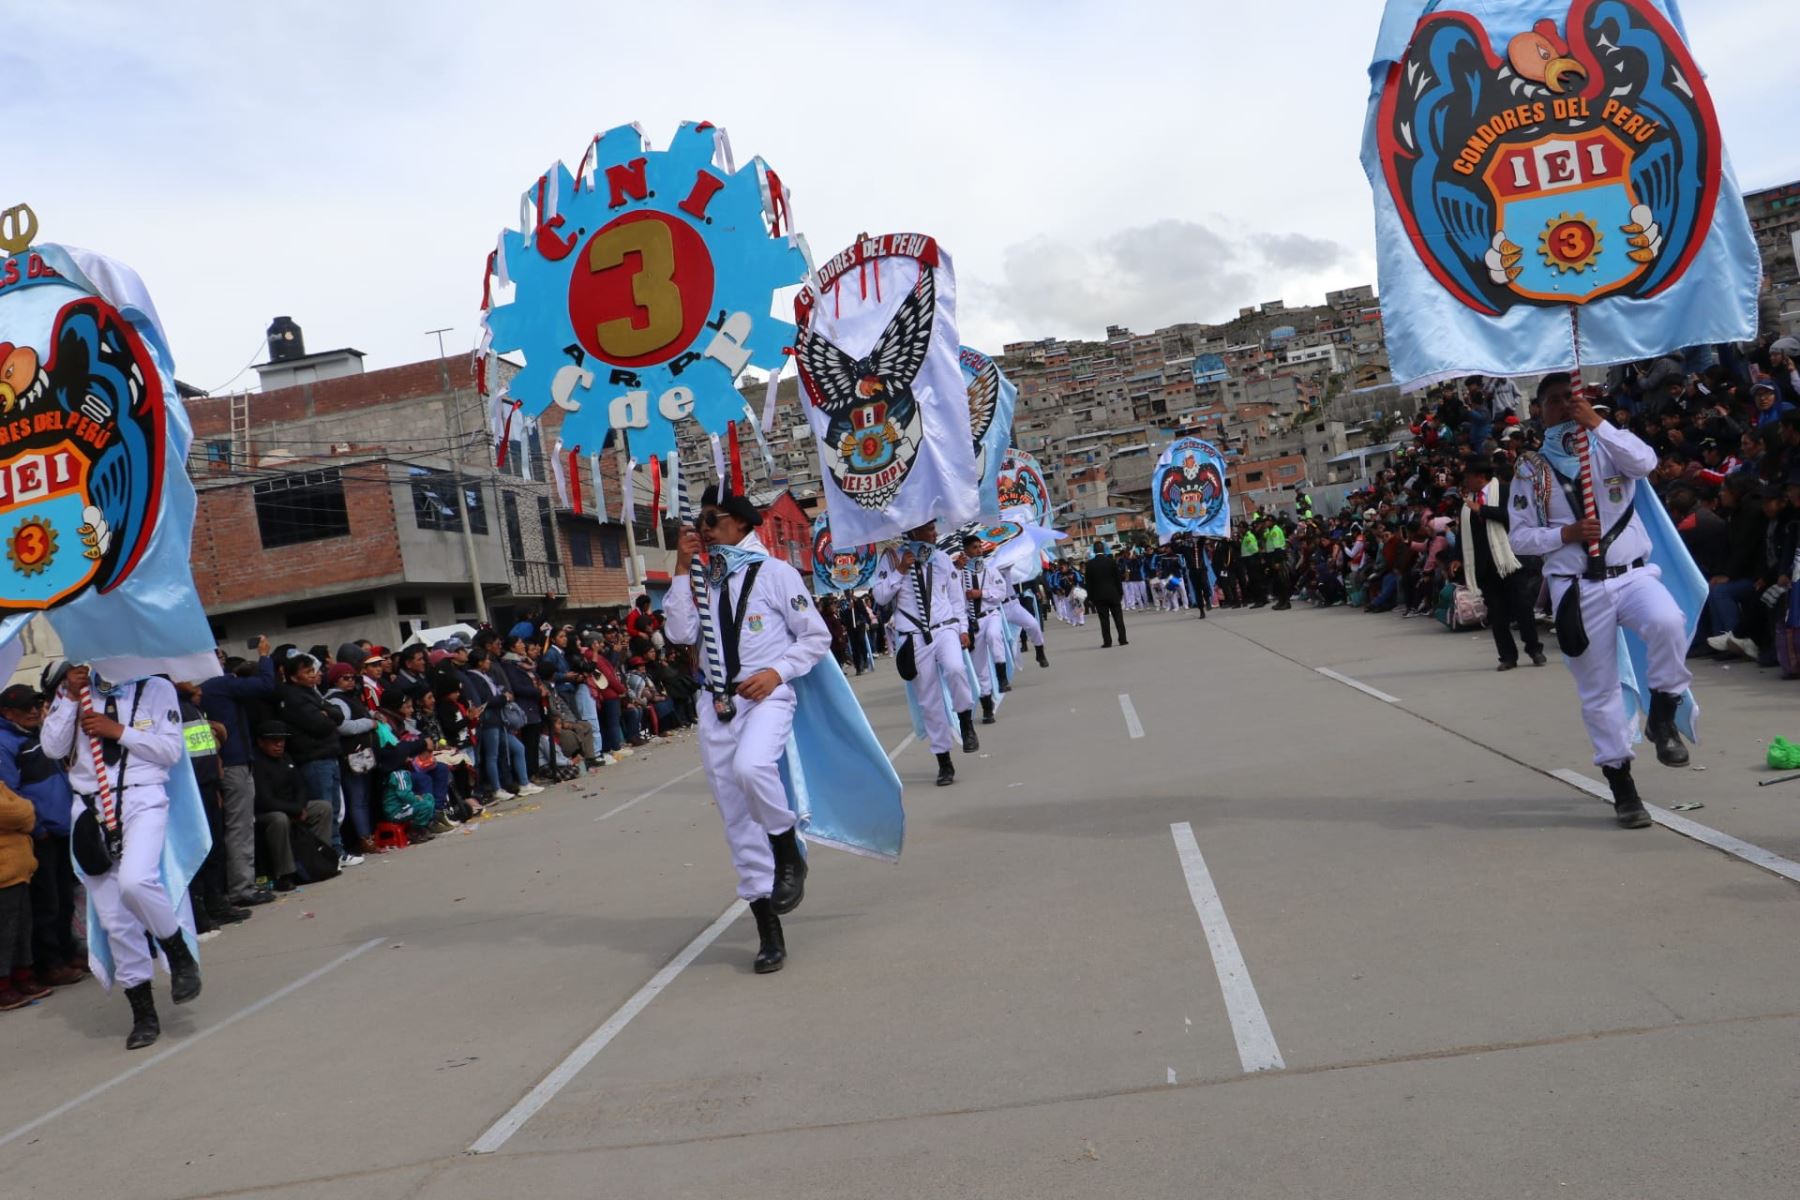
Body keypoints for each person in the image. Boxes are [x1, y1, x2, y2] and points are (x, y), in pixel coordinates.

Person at [1509, 374, 1693, 829]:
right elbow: (1520, 538)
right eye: (1553, 402)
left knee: (1669, 621)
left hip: (1632, 575)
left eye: (1570, 399)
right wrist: (1564, 534)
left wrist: (1598, 424)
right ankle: (1622, 784)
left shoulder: (1609, 445)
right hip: (1579, 586)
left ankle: (1664, 715)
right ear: (1540, 411)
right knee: (1600, 690)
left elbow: (1646, 463)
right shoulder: (1531, 469)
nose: (1563, 407)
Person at [664, 485, 829, 974]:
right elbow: (677, 633)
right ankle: (767, 930)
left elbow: (815, 635)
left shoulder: (775, 574)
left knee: (753, 766)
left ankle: (786, 849)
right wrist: (679, 566)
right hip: (716, 703)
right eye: (699, 524)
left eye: (710, 522)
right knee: (736, 819)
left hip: (766, 696)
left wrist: (778, 672)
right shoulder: (701, 578)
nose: (703, 531)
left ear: (739, 523)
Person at [41, 666, 201, 1050]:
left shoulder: (155, 686)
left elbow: (170, 750)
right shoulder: (75, 687)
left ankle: (177, 951)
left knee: (136, 880)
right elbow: (53, 748)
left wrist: (118, 732)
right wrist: (67, 697)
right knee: (115, 919)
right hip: (90, 806)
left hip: (142, 796)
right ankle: (143, 1012)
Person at [873, 521, 978, 786]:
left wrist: (963, 628)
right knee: (929, 700)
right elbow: (881, 597)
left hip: (945, 629)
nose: (935, 533)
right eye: (929, 529)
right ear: (913, 531)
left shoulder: (941, 558)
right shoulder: (892, 558)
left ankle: (965, 721)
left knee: (956, 668)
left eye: (934, 527)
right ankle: (944, 759)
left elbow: (956, 599)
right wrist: (899, 571)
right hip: (913, 635)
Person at [0, 684, 83, 989]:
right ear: (7, 713)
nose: (34, 711)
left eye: (36, 704)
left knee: (64, 896)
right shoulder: (5, 743)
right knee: (46, 902)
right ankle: (50, 963)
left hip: (62, 828)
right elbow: (10, 795)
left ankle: (67, 950)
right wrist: (38, 828)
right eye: (26, 707)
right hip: (41, 835)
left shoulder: (39, 734)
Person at [199, 639, 277, 908]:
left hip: (222, 762)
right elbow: (266, 684)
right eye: (216, 655)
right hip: (234, 762)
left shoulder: (202, 688)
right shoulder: (218, 684)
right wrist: (264, 656)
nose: (221, 658)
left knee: (233, 826)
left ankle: (235, 885)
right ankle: (242, 887)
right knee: (240, 827)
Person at [1461, 456, 1546, 671]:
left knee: (1522, 607)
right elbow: (1466, 532)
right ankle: (1507, 656)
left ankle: (1534, 648)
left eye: (1468, 477)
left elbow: (1514, 517)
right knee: (1497, 615)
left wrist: (1482, 509)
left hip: (1511, 561)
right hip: (1487, 566)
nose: (1466, 482)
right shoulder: (1467, 503)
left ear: (1480, 477)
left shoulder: (1506, 492)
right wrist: (1456, 557)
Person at [250, 721, 336, 890]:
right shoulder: (256, 763)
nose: (279, 744)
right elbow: (264, 800)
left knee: (322, 807)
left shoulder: (286, 758)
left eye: (282, 740)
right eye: (274, 740)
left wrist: (301, 806)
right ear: (261, 742)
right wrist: (294, 810)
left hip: (292, 806)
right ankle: (286, 874)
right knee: (280, 819)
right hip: (267, 812)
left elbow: (300, 786)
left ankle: (318, 859)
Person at [0, 777, 46, 1010]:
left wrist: (24, 811)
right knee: (5, 933)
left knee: (22, 927)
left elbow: (25, 810)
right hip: (3, 874)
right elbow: (16, 813)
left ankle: (22, 975)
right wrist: (24, 811)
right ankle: (3, 985)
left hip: (18, 870)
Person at [960, 533, 1011, 721]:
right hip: (973, 623)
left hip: (991, 615)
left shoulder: (989, 569)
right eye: (974, 548)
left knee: (994, 636)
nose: (979, 550)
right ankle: (987, 707)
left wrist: (981, 593)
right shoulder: (959, 573)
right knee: (979, 668)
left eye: (979, 547)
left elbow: (1001, 593)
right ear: (965, 550)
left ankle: (1002, 676)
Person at [1084, 542, 1127, 648]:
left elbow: (1088, 583)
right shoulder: (1111, 562)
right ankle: (1122, 639)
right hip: (1113, 593)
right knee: (1118, 618)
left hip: (1099, 596)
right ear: (1104, 549)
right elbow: (1117, 579)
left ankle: (1107, 642)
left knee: (1104, 620)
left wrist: (1090, 597)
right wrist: (1120, 592)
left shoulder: (1089, 565)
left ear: (1094, 550)